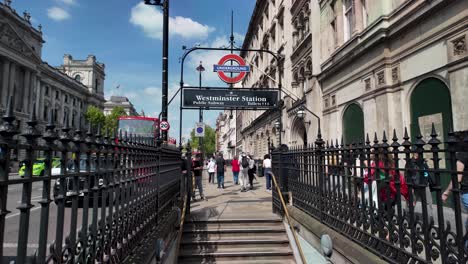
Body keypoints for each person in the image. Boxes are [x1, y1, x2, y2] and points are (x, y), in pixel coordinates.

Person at [406, 151, 434, 218]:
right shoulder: (410, 162)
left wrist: (426, 179)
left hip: (424, 184)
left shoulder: (423, 161)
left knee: (429, 202)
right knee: (411, 202)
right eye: (416, 153)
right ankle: (408, 216)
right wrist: (409, 186)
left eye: (418, 153)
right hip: (414, 185)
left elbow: (426, 172)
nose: (417, 154)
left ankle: (430, 218)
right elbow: (407, 174)